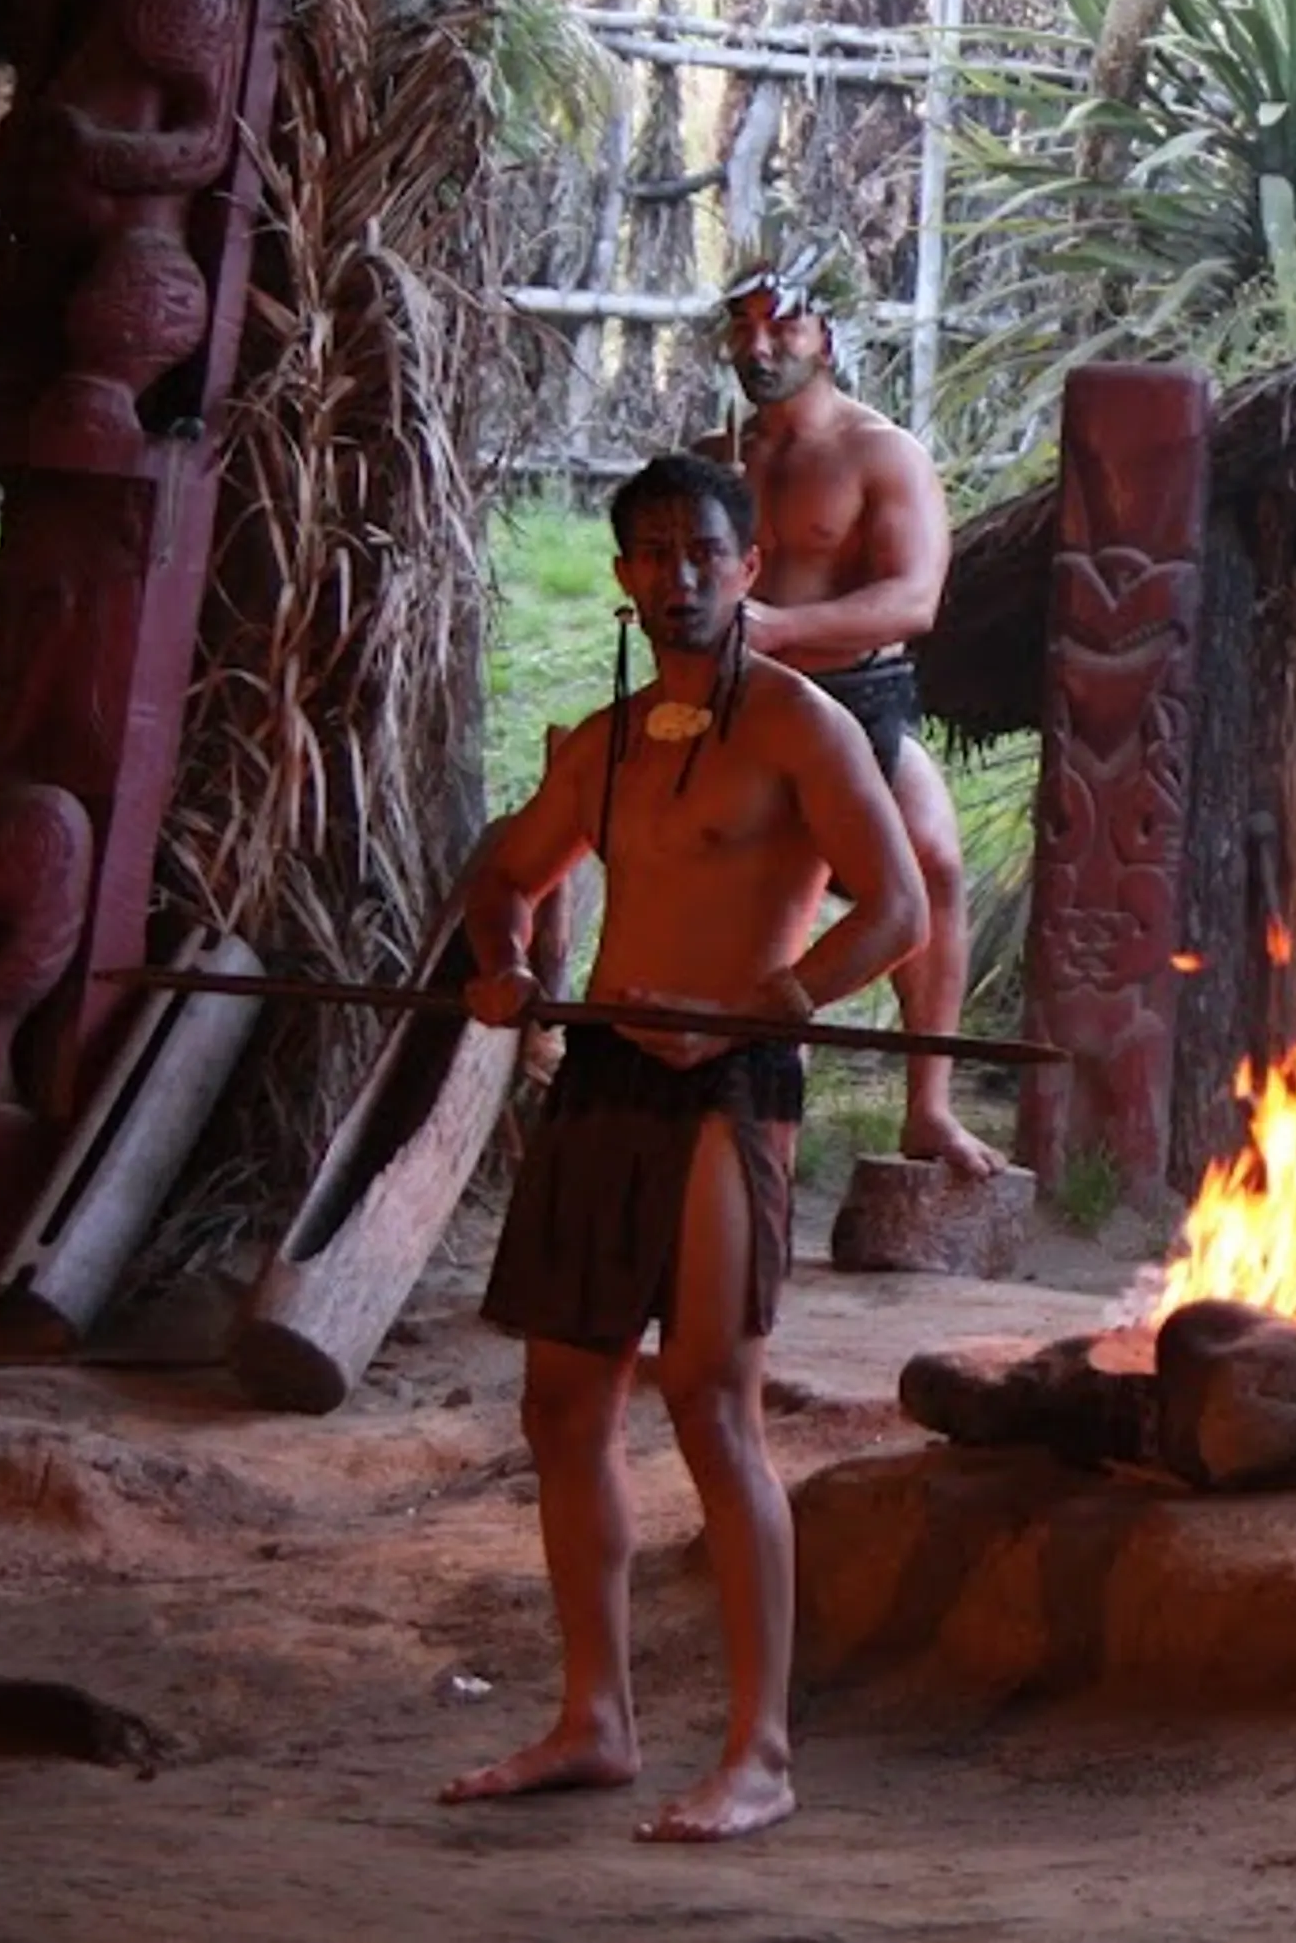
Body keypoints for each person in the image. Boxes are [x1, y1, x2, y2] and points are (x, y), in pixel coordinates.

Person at [439, 452, 927, 1843]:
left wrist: (766, 1004)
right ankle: (595, 1720)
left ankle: (759, 1753)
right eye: (651, 554)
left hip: (732, 1089)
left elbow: (892, 908)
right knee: (561, 1410)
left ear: (749, 565)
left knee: (711, 1402)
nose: (678, 575)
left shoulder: (801, 727)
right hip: (603, 1078)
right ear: (623, 578)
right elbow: (508, 872)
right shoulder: (598, 748)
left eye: (702, 550)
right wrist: (506, 962)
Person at [699, 244, 993, 1181]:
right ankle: (703, 1069)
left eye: (781, 323)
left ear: (826, 336)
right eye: (742, 327)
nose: (759, 344)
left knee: (936, 868)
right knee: (726, 883)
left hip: (858, 697)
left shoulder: (882, 454)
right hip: (738, 701)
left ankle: (929, 1108)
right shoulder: (716, 462)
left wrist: (782, 627)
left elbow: (914, 600)